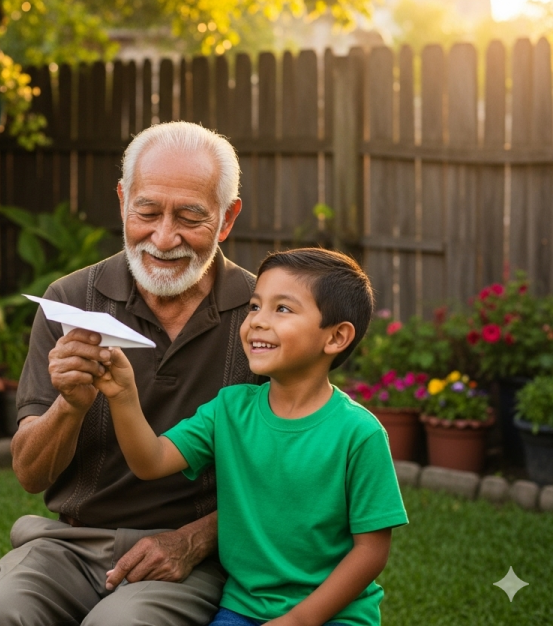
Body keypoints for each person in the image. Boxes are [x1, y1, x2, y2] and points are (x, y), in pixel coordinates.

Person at [0, 121, 260, 626]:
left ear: (227, 219)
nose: (164, 237)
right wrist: (69, 405)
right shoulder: (70, 299)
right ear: (122, 201)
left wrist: (193, 540)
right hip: (71, 543)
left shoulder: (260, 315)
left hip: (194, 552)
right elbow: (32, 474)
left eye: (190, 216)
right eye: (147, 211)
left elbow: (290, 476)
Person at [93, 248, 409, 626]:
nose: (257, 321)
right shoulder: (230, 409)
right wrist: (123, 395)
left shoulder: (360, 433)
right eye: (255, 306)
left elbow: (371, 552)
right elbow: (151, 461)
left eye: (283, 309)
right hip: (244, 608)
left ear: (336, 337)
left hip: (336, 615)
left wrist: (298, 621)